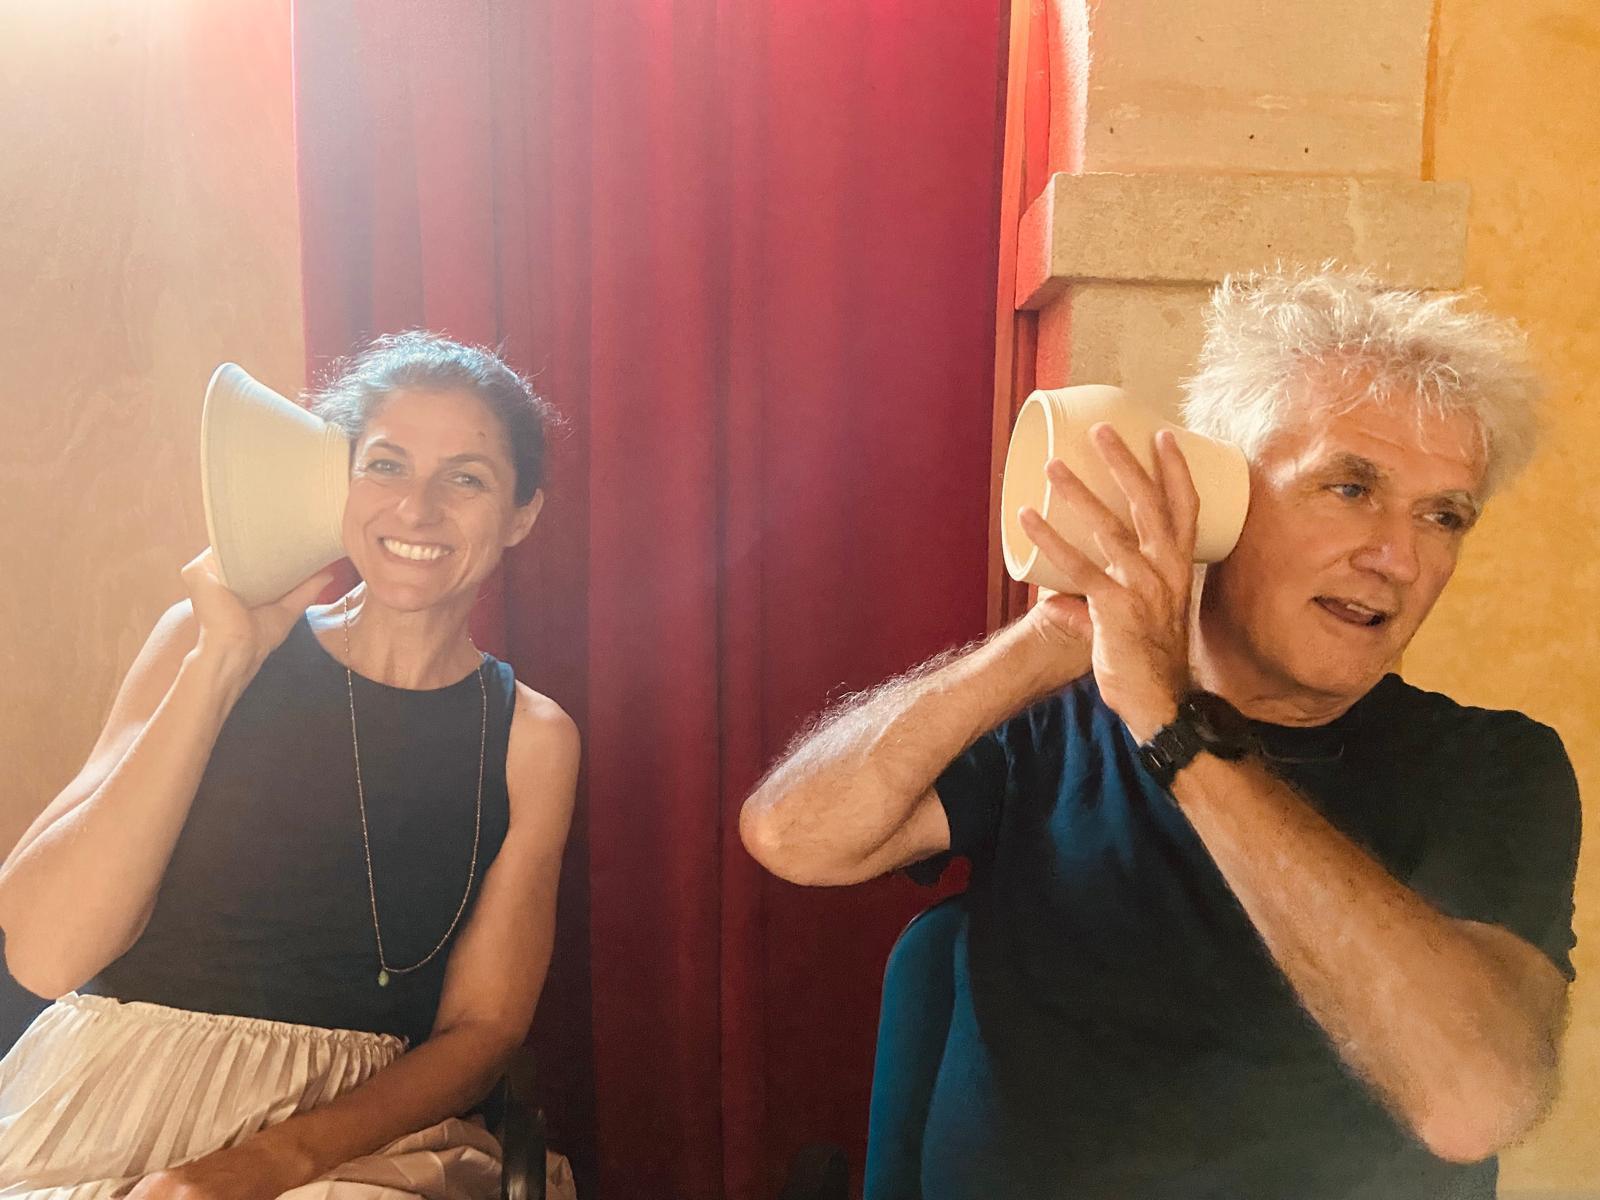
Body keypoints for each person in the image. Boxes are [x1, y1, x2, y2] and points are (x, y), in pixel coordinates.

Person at [741, 268, 1582, 1199]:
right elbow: (795, 835)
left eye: (1443, 516)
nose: (1399, 558)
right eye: (1349, 487)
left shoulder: (1494, 766)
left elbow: (1474, 1103)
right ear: (1214, 500)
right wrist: (1052, 636)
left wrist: (1173, 725)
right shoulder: (1057, 723)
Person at [0, 332, 579, 1200]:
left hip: (351, 1141)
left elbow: (485, 1028)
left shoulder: (533, 736)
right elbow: (48, 956)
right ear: (336, 481)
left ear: (522, 514)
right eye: (385, 465)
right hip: (103, 1105)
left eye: (466, 478)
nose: (416, 508)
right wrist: (221, 663)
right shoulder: (204, 639)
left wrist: (263, 1164)